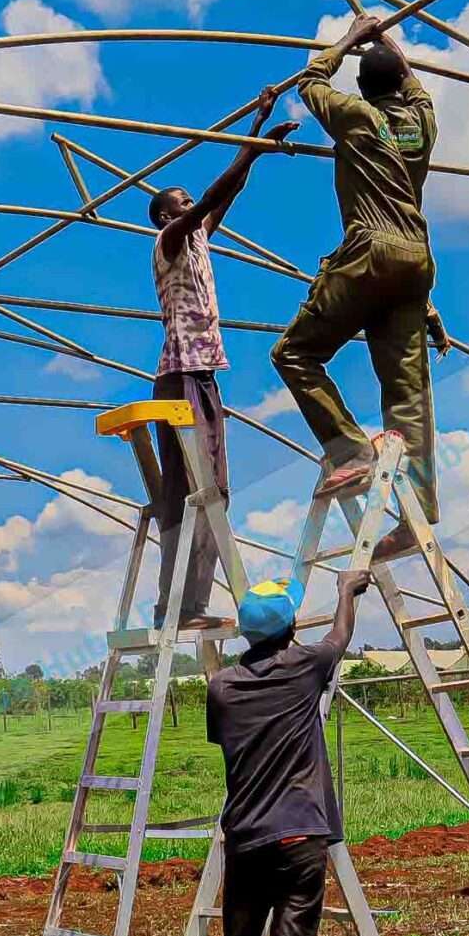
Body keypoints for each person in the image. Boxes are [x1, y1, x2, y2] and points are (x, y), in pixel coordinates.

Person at [270, 13, 451, 563]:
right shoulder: (422, 123)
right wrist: (381, 40)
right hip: (416, 261)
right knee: (408, 394)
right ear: (398, 82)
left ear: (364, 86)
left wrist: (349, 39)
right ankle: (419, 505)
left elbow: (309, 83)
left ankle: (349, 450)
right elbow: (412, 81)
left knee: (295, 354)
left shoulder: (356, 116)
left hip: (371, 251)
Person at [201, 566, 375, 936]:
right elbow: (339, 638)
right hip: (299, 839)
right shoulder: (305, 667)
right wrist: (346, 591)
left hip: (245, 840)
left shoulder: (222, 687)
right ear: (290, 626)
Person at [146, 93, 301, 627]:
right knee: (193, 491)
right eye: (184, 204)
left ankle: (190, 605)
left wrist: (256, 141)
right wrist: (249, 149)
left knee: (213, 493)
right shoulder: (169, 240)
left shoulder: (198, 242)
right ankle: (180, 606)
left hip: (204, 374)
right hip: (179, 375)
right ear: (168, 216)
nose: (194, 209)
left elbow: (224, 195)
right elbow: (214, 195)